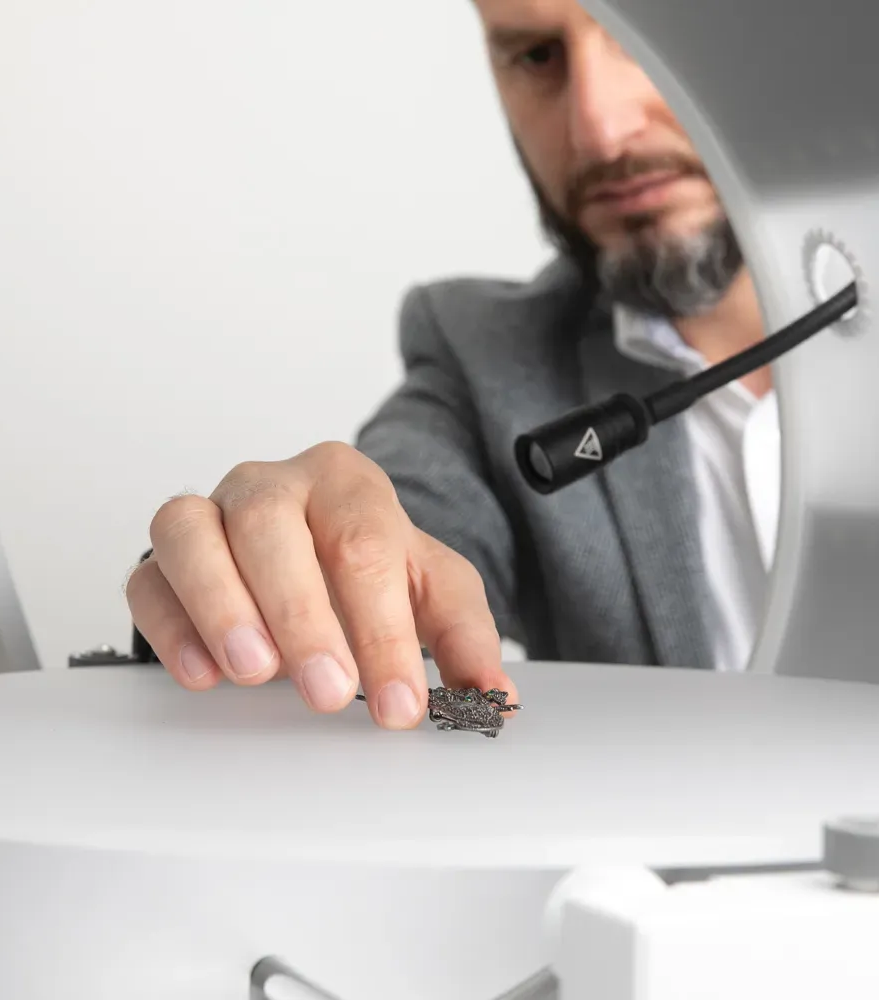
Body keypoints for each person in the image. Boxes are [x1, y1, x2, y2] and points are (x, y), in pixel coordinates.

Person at [124, 0, 779, 731]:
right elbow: (401, 535)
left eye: (655, 41)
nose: (598, 128)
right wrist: (271, 568)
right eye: (534, 55)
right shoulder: (486, 352)